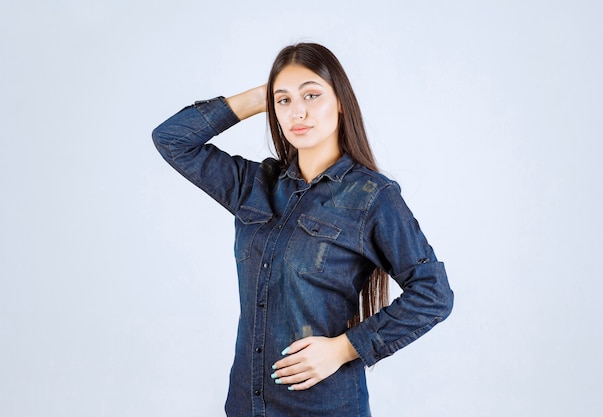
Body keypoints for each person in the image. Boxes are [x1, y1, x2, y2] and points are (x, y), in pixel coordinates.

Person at [153, 42, 453, 417]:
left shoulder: (372, 197)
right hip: (247, 403)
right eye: (284, 101)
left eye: (312, 95)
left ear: (340, 100)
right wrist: (258, 98)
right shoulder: (255, 185)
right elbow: (172, 139)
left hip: (324, 405)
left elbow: (434, 294)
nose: (299, 111)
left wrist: (344, 348)